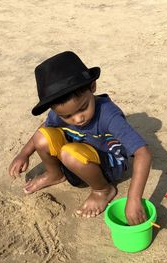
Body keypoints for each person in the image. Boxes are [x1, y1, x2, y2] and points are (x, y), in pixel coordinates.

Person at [8, 51, 152, 225]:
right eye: (67, 116)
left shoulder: (108, 115)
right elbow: (45, 128)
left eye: (83, 108)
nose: (78, 119)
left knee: (69, 153)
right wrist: (24, 154)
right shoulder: (59, 114)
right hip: (79, 155)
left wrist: (134, 198)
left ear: (92, 87)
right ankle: (55, 174)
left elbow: (143, 153)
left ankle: (102, 190)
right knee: (41, 137)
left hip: (109, 163)